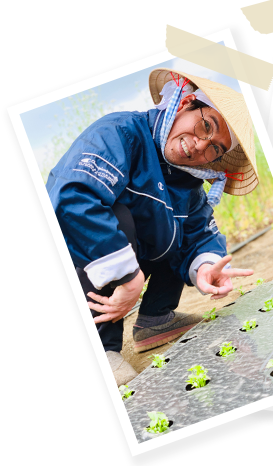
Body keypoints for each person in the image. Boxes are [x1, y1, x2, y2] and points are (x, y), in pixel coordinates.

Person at [24, 69, 258, 386]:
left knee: (170, 230)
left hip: (109, 272)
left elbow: (201, 235)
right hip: (57, 273)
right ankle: (101, 349)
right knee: (119, 215)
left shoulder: (187, 185)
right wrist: (127, 275)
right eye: (205, 126)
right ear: (186, 103)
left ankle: (155, 318)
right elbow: (73, 197)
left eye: (215, 149)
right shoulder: (121, 132)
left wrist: (205, 267)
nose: (201, 145)